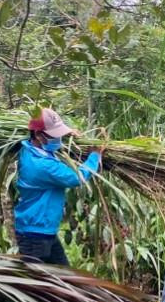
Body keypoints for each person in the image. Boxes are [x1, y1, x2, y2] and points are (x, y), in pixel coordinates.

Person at [14, 108, 101, 265]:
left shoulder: (30, 149)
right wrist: (95, 156)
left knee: (64, 277)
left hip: (43, 230)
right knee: (39, 286)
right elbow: (76, 177)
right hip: (35, 235)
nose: (58, 139)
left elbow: (52, 148)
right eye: (55, 136)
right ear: (39, 136)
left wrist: (69, 136)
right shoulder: (41, 166)